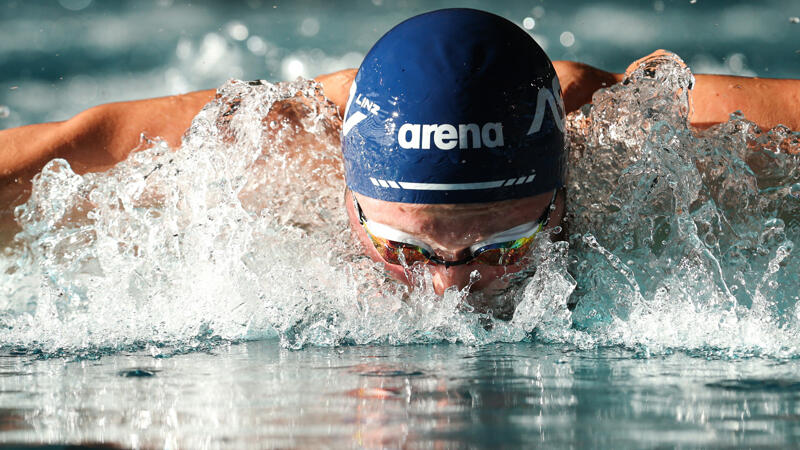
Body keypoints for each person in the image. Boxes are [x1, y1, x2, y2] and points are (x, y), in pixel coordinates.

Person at [0, 9, 798, 296]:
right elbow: (66, 148)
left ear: (561, 192)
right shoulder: (265, 148)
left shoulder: (657, 139)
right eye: (403, 249)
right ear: (348, 196)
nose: (451, 289)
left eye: (505, 247)